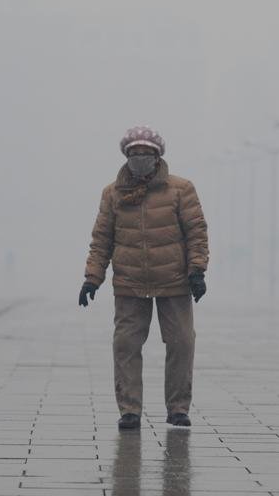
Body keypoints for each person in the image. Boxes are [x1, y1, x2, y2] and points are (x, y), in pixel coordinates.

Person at [80, 126, 209, 430]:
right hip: (130, 282)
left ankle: (178, 408)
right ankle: (130, 410)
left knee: (181, 343)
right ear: (126, 156)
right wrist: (92, 278)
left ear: (157, 156)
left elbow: (197, 233)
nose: (140, 158)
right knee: (125, 345)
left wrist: (197, 270)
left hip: (174, 281)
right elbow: (101, 240)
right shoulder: (113, 194)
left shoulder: (181, 190)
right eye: (134, 153)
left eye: (146, 153)